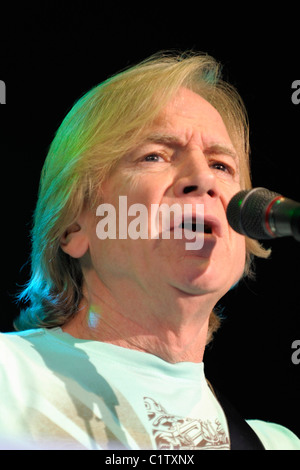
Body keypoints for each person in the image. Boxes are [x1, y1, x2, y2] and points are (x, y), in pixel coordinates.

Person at [1, 51, 299, 450]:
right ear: (73, 226)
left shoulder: (279, 443)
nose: (202, 179)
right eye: (154, 156)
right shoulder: (9, 379)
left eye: (222, 166)